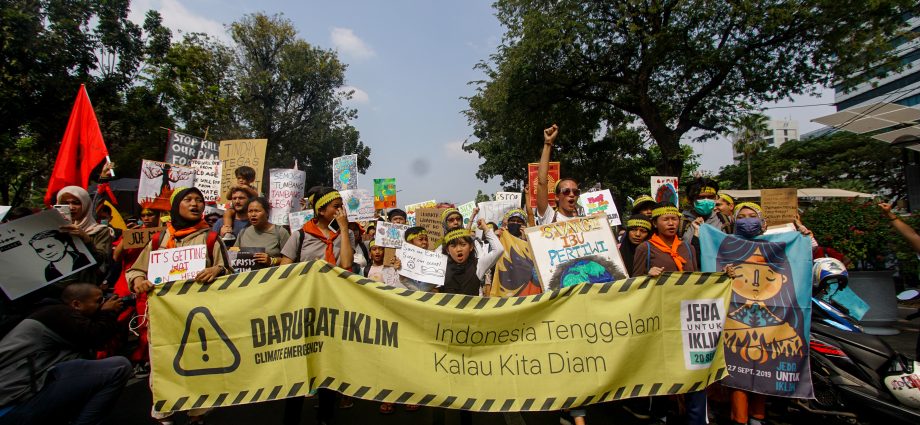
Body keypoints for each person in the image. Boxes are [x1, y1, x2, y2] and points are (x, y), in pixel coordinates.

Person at [126, 187, 231, 425]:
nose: (195, 204)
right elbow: (135, 269)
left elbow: (228, 272)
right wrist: (139, 281)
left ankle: (197, 416)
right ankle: (164, 416)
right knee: (164, 368)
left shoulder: (210, 238)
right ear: (176, 206)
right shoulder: (159, 239)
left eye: (199, 200)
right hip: (164, 320)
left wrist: (217, 270)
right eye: (188, 200)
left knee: (199, 368)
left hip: (198, 318)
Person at [0, 282, 132, 425]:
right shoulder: (58, 314)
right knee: (118, 368)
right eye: (98, 301)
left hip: (18, 397)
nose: (104, 303)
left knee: (83, 368)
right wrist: (108, 312)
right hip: (14, 404)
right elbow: (95, 336)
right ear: (76, 304)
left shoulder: (47, 313)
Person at [279, 186, 353, 425]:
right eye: (336, 206)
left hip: (332, 307)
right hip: (305, 308)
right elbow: (284, 268)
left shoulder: (345, 234)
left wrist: (343, 228)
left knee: (329, 364)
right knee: (300, 364)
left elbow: (346, 265)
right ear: (321, 210)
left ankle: (326, 416)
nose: (341, 210)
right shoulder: (300, 236)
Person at [633, 204, 704, 425]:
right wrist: (647, 275)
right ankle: (660, 414)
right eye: (666, 219)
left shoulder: (688, 248)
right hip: (661, 319)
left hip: (687, 319)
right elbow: (633, 284)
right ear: (655, 223)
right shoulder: (645, 249)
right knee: (663, 369)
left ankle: (695, 418)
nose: (671, 223)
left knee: (694, 371)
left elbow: (699, 280)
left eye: (675, 219)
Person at [487, 209, 542, 297]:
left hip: (524, 287)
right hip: (505, 283)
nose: (515, 223)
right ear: (507, 223)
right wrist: (496, 238)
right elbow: (491, 261)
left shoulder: (531, 240)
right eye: (512, 221)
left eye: (519, 221)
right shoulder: (500, 237)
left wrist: (526, 240)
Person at [680, 177, 732, 268]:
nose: (706, 201)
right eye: (701, 197)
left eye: (711, 197)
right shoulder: (680, 222)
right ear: (689, 199)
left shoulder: (725, 221)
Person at [536, 124, 583, 224]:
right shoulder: (549, 217)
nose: (571, 195)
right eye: (566, 191)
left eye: (576, 192)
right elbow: (542, 182)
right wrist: (548, 143)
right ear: (557, 196)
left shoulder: (585, 222)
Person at [56, 186, 114, 262]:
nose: (71, 207)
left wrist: (86, 239)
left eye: (76, 203)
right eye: (65, 203)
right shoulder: (53, 230)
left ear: (85, 205)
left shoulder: (101, 231)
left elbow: (102, 261)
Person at [235, 197, 290, 267]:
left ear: (267, 213)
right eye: (250, 211)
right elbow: (232, 257)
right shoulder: (243, 233)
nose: (253, 214)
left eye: (257, 211)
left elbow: (291, 259)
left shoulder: (280, 232)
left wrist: (272, 260)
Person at [219, 166, 259, 236]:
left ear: (251, 180)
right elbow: (228, 197)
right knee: (228, 212)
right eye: (239, 178)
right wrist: (231, 190)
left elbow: (256, 195)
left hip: (247, 211)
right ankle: (227, 228)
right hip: (234, 209)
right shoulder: (235, 187)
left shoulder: (251, 188)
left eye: (244, 179)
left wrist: (247, 188)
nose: (241, 180)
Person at [400, 227, 436, 291]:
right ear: (410, 243)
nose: (425, 242)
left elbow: (423, 290)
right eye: (421, 239)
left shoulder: (434, 261)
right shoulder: (400, 262)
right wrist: (402, 275)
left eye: (426, 239)